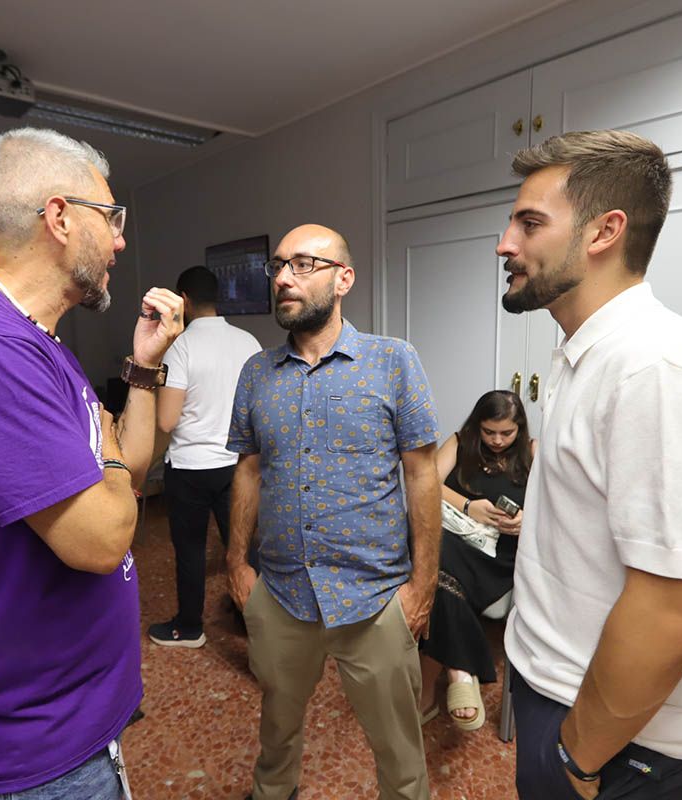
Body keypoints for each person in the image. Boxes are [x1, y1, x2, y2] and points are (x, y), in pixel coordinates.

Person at [0, 127, 184, 799]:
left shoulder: (37, 345)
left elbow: (127, 477)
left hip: (74, 724)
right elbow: (106, 536)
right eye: (110, 219)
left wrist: (143, 367)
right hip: (30, 752)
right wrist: (107, 455)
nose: (120, 239)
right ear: (59, 217)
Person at [497, 130, 682, 800]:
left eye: (530, 223)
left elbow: (678, 605)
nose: (506, 244)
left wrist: (579, 757)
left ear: (604, 232)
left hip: (617, 736)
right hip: (560, 690)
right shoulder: (588, 354)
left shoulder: (658, 369)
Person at [226, 224, 441, 800]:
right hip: (281, 590)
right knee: (277, 723)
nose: (281, 279)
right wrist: (237, 566)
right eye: (277, 266)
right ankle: (274, 791)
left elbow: (422, 473)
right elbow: (248, 469)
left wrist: (421, 587)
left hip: (373, 596)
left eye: (302, 265)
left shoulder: (393, 361)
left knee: (397, 745)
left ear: (343, 278)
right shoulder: (257, 373)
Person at [148, 266, 262, 647]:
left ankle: (189, 627)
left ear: (184, 299)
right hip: (238, 467)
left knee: (191, 550)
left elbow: (166, 420)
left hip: (191, 469)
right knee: (243, 548)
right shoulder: (249, 342)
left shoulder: (180, 348)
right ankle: (257, 623)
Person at [418, 390, 533, 731]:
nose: (497, 440)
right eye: (489, 432)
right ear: (477, 426)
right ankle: (462, 672)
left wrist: (526, 518)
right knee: (439, 560)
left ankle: (430, 692)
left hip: (499, 554)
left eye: (506, 433)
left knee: (437, 573)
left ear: (520, 429)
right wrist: (470, 507)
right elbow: (425, 483)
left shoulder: (532, 452)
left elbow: (557, 504)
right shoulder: (459, 442)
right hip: (455, 539)